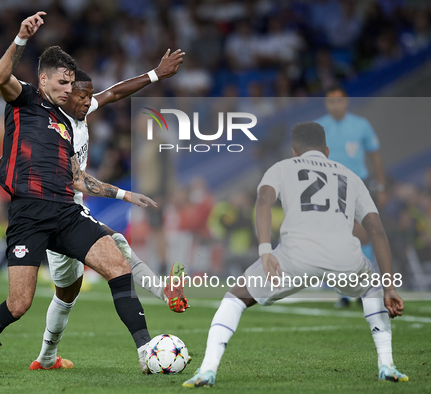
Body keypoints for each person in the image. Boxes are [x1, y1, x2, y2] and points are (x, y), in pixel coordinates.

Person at [0, 12, 157, 377]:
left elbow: (78, 179)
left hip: (66, 212)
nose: (69, 88)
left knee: (118, 265)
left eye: (72, 82)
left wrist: (122, 194)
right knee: (19, 303)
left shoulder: (66, 124)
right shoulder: (24, 99)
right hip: (29, 214)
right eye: (63, 81)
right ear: (43, 79)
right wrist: (21, 39)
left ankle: (147, 351)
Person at [183, 121, 407, 388]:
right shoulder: (351, 176)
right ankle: (387, 364)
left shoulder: (282, 167)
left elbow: (264, 201)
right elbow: (376, 230)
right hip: (345, 258)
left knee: (235, 298)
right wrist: (390, 286)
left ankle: (207, 370)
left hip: (294, 257)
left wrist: (265, 249)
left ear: (294, 150)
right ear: (326, 149)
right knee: (372, 288)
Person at [30, 64, 189, 371]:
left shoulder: (83, 109)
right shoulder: (53, 124)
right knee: (88, 275)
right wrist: (124, 194)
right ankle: (160, 299)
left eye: (91, 96)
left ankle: (47, 359)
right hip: (58, 214)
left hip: (73, 211)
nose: (89, 102)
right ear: (66, 96)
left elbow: (115, 92)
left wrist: (155, 74)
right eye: (83, 97)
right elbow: (77, 179)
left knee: (70, 291)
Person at [315, 85, 387, 308]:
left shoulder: (361, 125)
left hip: (359, 185)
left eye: (339, 101)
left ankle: (364, 287)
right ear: (326, 104)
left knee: (363, 236)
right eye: (330, 102)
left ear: (346, 102)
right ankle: (344, 293)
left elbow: (375, 156)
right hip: (329, 188)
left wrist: (382, 186)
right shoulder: (318, 127)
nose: (335, 105)